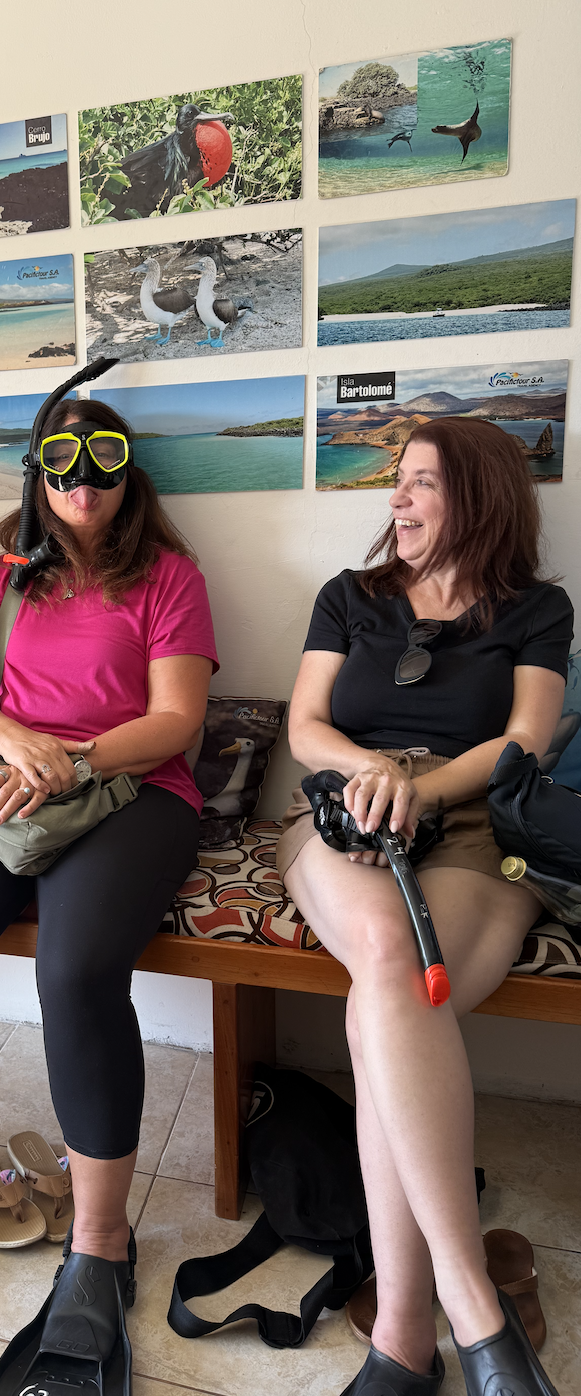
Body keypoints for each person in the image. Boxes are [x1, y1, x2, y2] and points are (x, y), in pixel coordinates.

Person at [0, 396, 217, 1388]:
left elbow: (177, 719)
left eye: (101, 464)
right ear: (37, 472)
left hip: (134, 788)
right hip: (3, 786)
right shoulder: (3, 575)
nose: (80, 482)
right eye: (61, 464)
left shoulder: (169, 577)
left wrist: (73, 757)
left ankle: (100, 1241)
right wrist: (15, 742)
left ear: (126, 472)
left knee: (75, 973)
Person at [280, 420, 572, 1396]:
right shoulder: (348, 600)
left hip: (479, 821)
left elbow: (525, 739)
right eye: (395, 483)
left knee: (389, 994)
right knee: (383, 947)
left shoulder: (536, 610)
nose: (395, 501)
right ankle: (477, 1314)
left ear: (480, 497)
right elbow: (304, 725)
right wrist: (370, 774)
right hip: (346, 819)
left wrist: (427, 788)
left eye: (419, 485)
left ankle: (402, 1335)